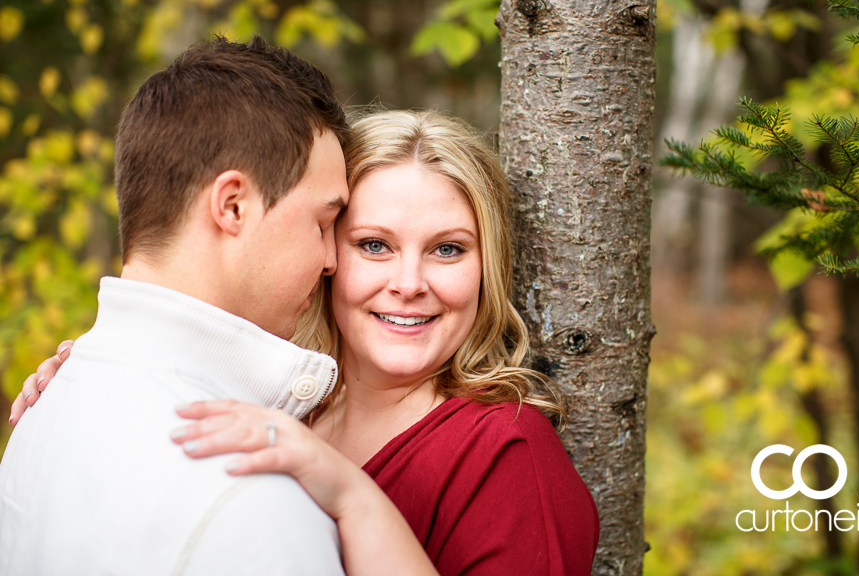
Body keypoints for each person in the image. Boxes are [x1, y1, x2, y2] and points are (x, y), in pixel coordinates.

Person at [13, 110, 601, 575]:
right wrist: (106, 381)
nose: (409, 284)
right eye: (374, 244)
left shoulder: (505, 452)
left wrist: (355, 498)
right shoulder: (287, 404)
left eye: (448, 249)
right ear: (326, 253)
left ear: (486, 268)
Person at [0, 36, 352, 575]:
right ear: (233, 206)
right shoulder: (249, 491)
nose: (331, 260)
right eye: (324, 223)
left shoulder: (46, 410)